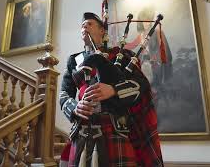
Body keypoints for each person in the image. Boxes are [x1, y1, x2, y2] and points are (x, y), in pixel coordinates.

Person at [59, 12, 164, 167]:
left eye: (89, 24)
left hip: (114, 128)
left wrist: (114, 90)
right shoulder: (73, 60)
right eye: (82, 25)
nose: (84, 27)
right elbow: (64, 93)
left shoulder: (121, 55)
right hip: (81, 130)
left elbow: (141, 84)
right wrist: (75, 107)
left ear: (102, 30)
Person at [125, 7, 173, 107]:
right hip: (144, 64)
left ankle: (159, 102)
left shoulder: (157, 32)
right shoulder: (141, 35)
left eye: (148, 19)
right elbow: (131, 45)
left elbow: (163, 48)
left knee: (155, 86)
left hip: (156, 63)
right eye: (144, 20)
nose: (147, 22)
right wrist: (120, 43)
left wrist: (154, 59)